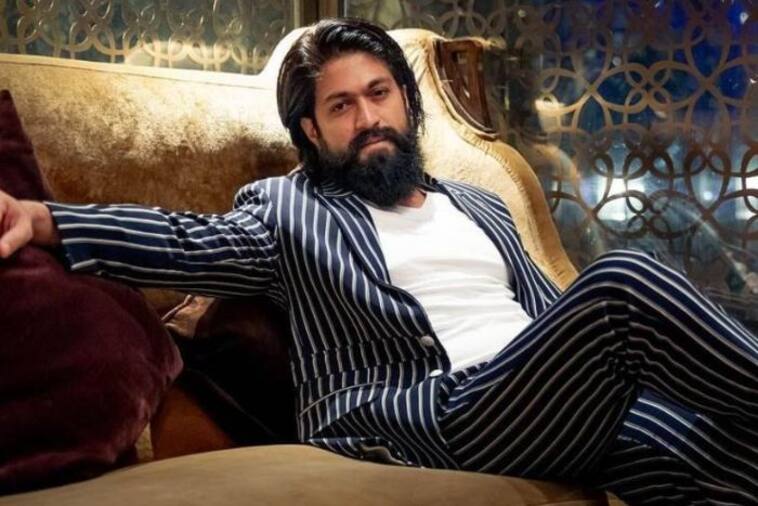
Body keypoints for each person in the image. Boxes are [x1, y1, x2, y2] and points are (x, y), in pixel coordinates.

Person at [1, 18, 756, 505]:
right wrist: (41, 218)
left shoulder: (479, 204)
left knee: (713, 455)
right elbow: (184, 240)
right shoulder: (288, 211)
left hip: (545, 403)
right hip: (433, 413)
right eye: (342, 107)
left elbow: (552, 317)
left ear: (406, 102)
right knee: (623, 281)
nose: (369, 119)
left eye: (379, 94)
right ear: (311, 130)